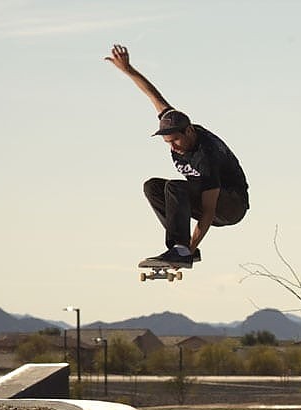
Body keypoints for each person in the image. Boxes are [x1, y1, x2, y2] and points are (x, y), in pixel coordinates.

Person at [105, 44, 249, 266]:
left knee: (175, 187)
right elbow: (154, 95)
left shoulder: (206, 156)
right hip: (209, 198)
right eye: (167, 143)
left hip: (231, 204)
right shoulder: (175, 121)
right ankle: (178, 247)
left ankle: (182, 249)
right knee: (152, 187)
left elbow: (209, 211)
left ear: (189, 131)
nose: (173, 147)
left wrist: (190, 249)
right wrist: (128, 69)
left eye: (176, 141)